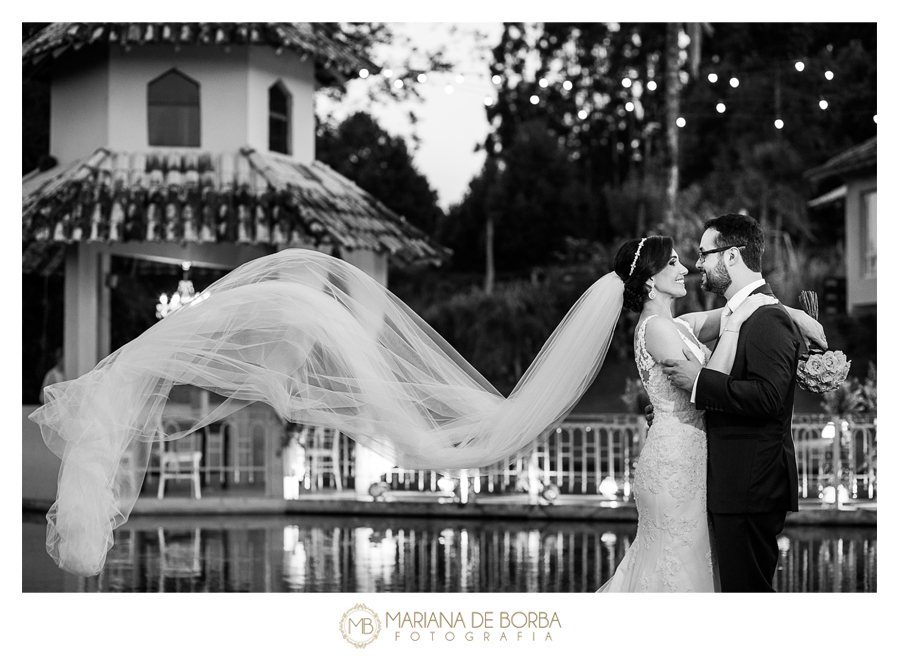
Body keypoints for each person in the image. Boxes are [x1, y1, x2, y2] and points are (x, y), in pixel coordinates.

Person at [29, 240, 824, 580]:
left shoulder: (674, 320)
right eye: (682, 261)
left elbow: (741, 321)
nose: (694, 265)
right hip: (682, 462)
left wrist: (793, 322)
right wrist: (771, 345)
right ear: (656, 275)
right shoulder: (662, 325)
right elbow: (713, 370)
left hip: (682, 466)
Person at [662, 214, 807, 592]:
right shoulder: (745, 314)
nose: (698, 265)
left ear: (731, 257)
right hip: (735, 487)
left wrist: (700, 382)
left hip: (750, 486)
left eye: (704, 254)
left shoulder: (766, 319)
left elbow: (769, 398)